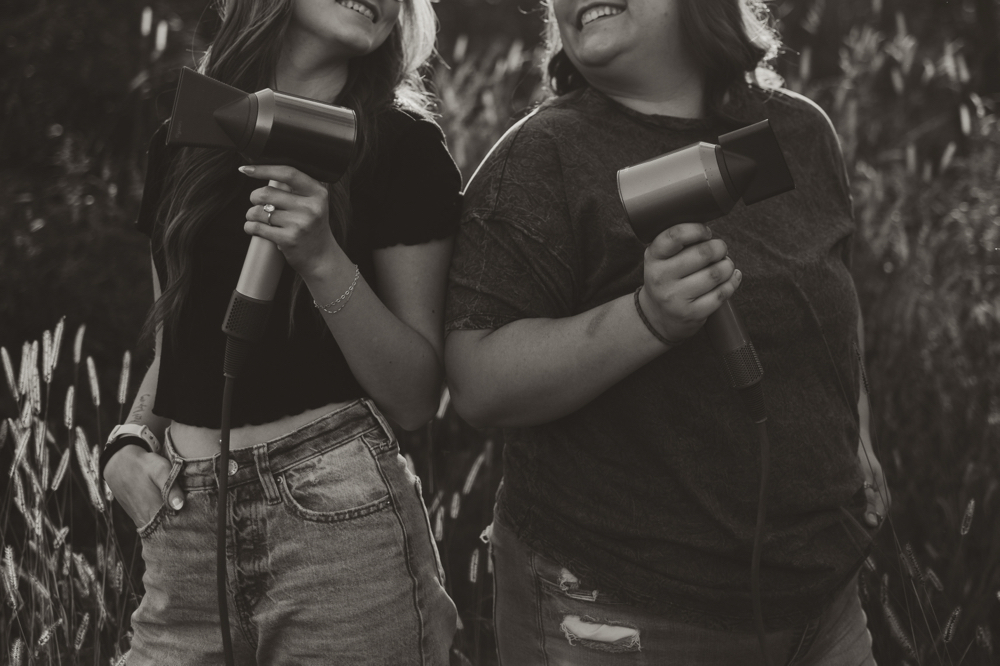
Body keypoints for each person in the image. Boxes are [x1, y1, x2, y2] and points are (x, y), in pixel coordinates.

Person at [445, 1, 890, 664]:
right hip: (624, 610)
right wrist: (647, 319)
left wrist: (859, 435)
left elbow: (832, 306)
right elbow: (476, 382)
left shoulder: (795, 130)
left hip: (824, 604)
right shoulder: (545, 155)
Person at [101, 0, 460, 662]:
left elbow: (415, 397)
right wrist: (128, 441)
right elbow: (176, 345)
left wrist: (322, 259)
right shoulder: (186, 137)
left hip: (336, 525)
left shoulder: (402, 146)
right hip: (184, 525)